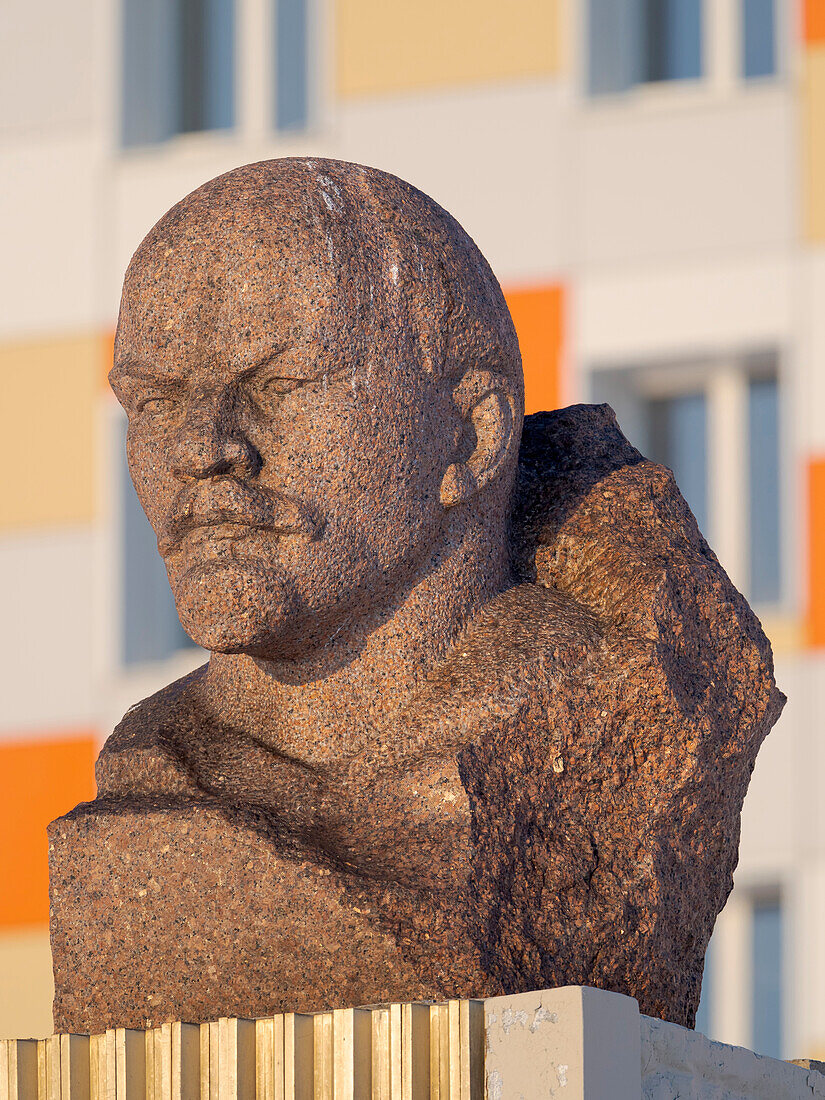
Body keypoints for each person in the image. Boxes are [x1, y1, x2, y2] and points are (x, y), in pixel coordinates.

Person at [50, 159, 783, 1033]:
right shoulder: (149, 772)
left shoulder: (590, 717)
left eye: (278, 386)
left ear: (470, 436)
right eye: (156, 401)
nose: (201, 450)